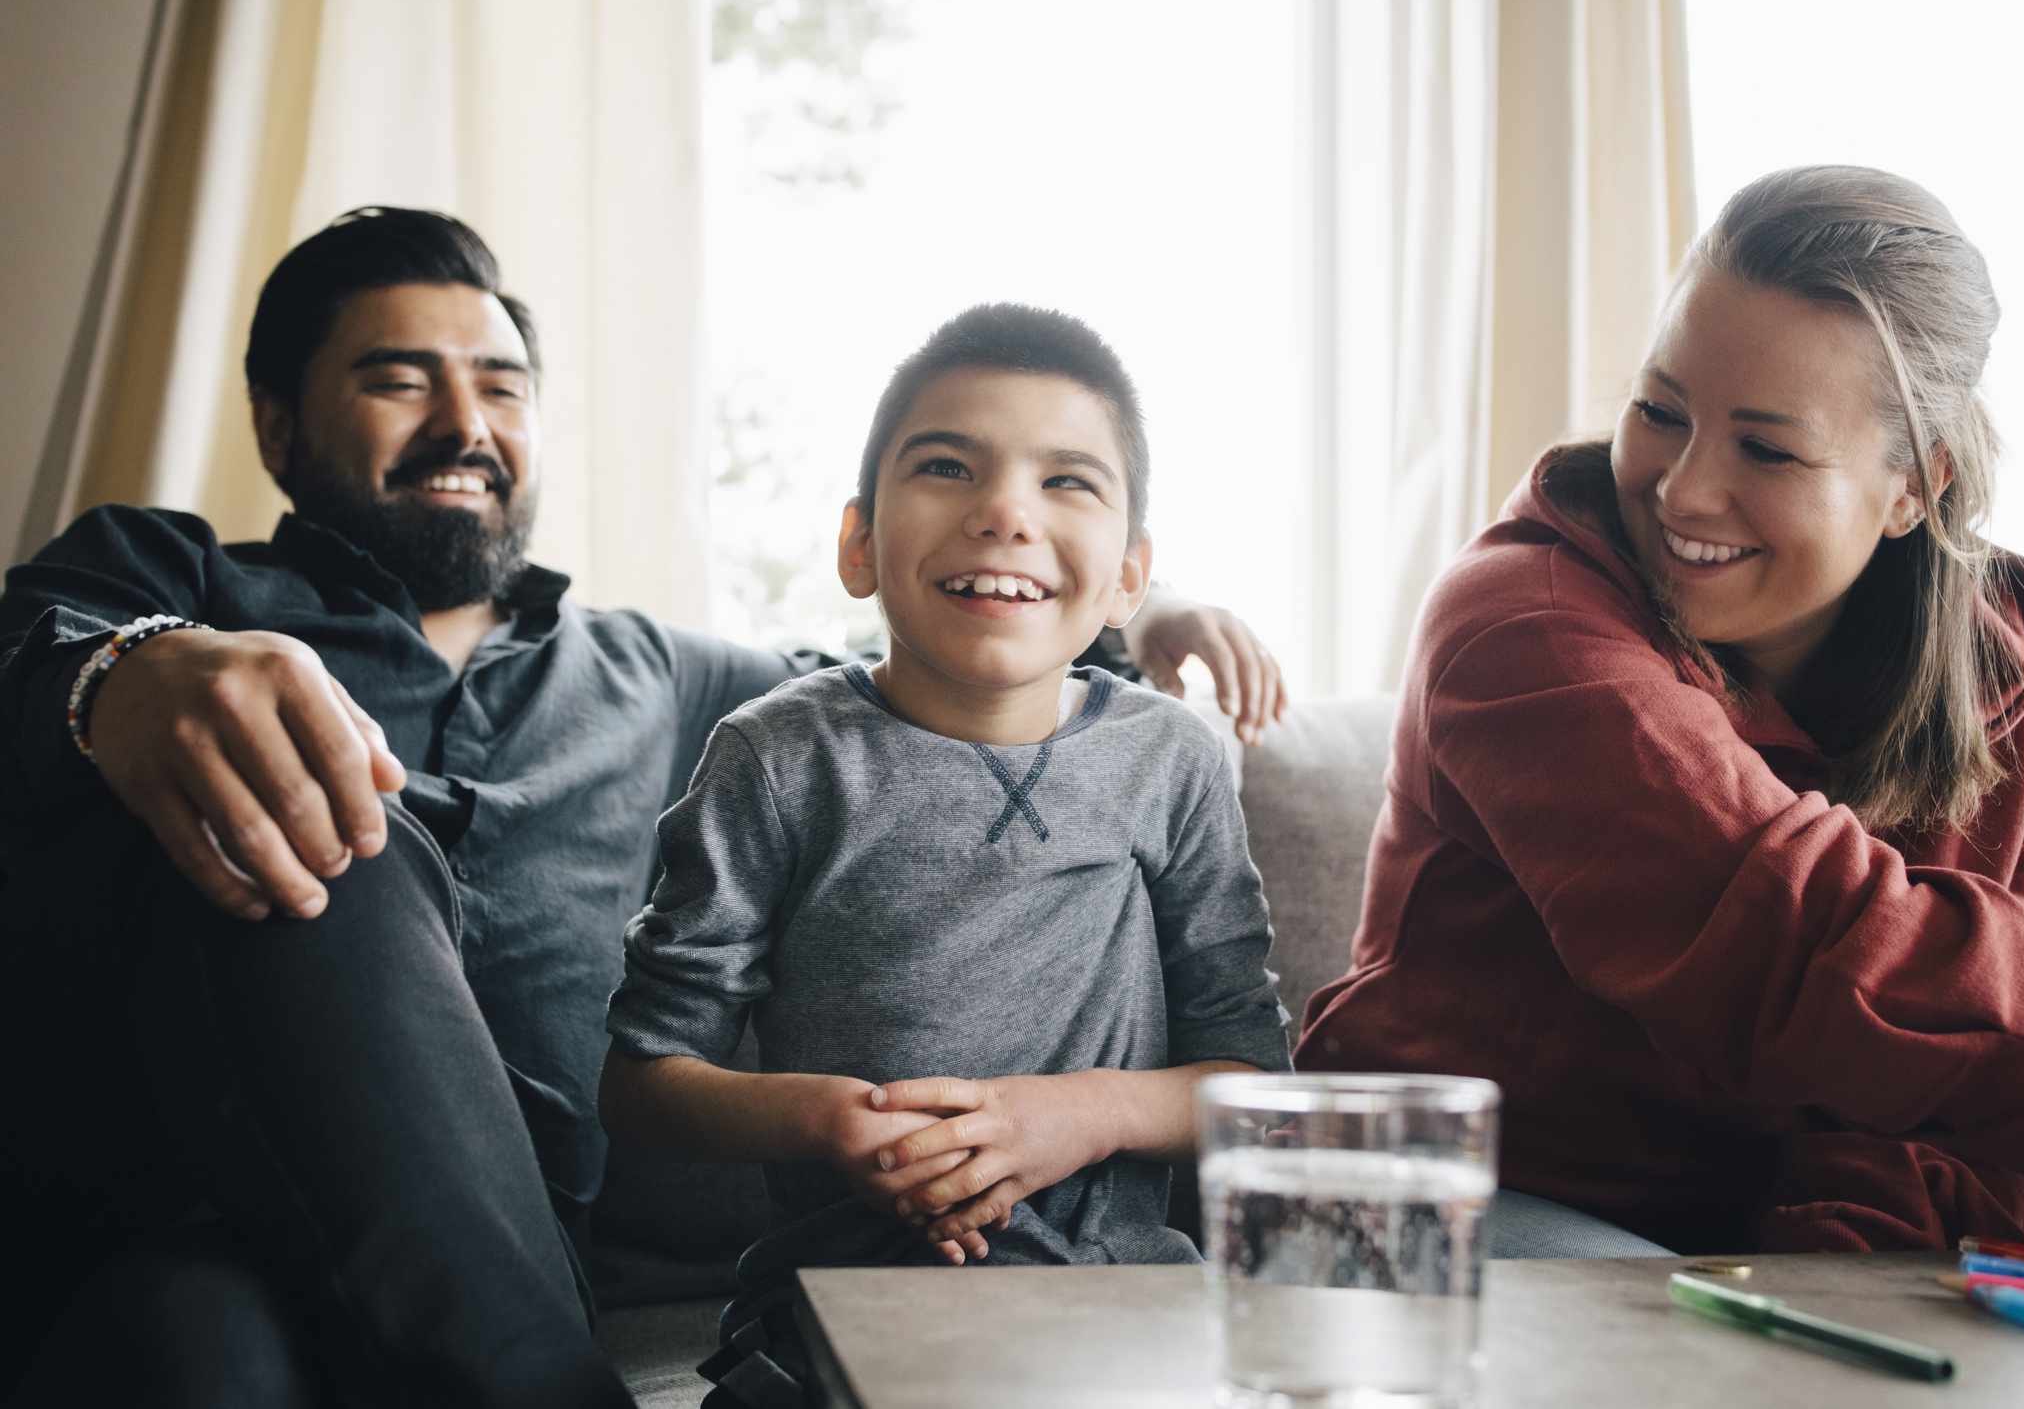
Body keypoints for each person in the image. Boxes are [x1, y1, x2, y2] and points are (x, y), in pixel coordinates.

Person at [0, 209, 1287, 1406]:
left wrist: (1151, 616)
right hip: (201, 1193)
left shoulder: (662, 676)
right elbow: (31, 649)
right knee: (344, 840)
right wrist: (128, 669)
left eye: (501, 386)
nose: (466, 420)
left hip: (512, 1265)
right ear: (276, 427)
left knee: (194, 1361)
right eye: (401, 379)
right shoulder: (173, 588)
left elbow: (941, 692)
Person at [1298, 165, 2024, 1256]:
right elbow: (1806, 949)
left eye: (1767, 448)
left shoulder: (1997, 653)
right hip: (1483, 1194)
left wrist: (1842, 1262)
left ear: (1913, 488)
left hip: (1775, 1239)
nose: (1682, 489)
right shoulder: (1519, 628)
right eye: (1660, 410)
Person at [599, 304, 1291, 1402]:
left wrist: (1082, 1112)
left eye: (1067, 480)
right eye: (946, 466)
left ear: (1128, 577)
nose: (1005, 511)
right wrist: (835, 1123)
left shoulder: (1170, 759)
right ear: (860, 542)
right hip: (835, 1320)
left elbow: (1257, 1090)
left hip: (1124, 1312)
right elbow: (642, 1085)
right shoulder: (778, 756)